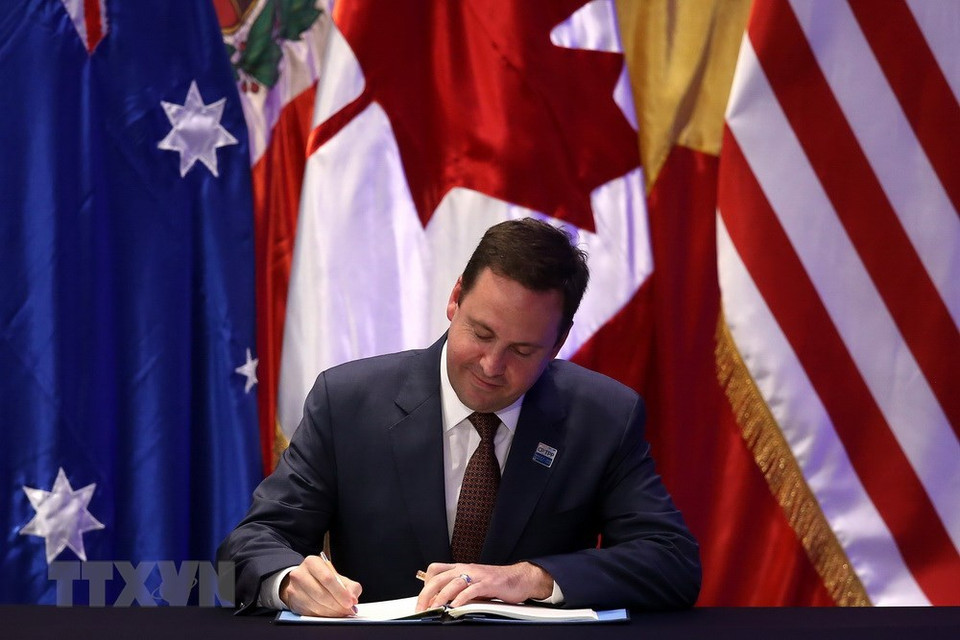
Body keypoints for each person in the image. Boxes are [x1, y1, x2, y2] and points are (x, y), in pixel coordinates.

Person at [218, 218, 701, 616]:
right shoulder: (347, 401)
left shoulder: (603, 417)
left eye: (522, 349)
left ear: (558, 343)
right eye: (482, 333)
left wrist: (534, 577)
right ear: (454, 300)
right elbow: (248, 546)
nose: (492, 366)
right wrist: (287, 582)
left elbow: (673, 562)